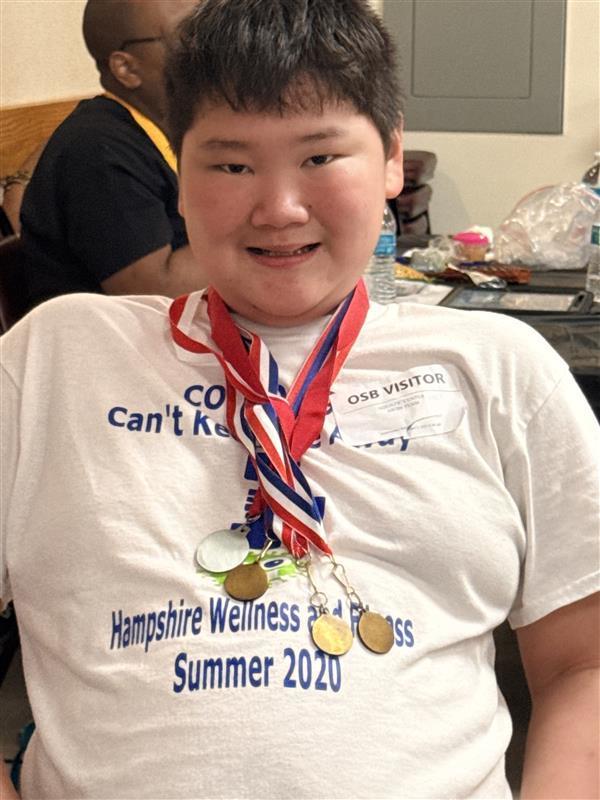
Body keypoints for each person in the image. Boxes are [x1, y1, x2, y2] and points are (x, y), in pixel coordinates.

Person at [1, 1, 598, 798]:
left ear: (389, 159)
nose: (278, 208)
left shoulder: (496, 365)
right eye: (231, 164)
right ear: (180, 174)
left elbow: (584, 662)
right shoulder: (53, 357)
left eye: (319, 157)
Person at [18, 0, 205, 313]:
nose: (212, 51)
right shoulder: (96, 150)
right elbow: (153, 292)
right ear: (127, 69)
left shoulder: (172, 128)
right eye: (189, 37)